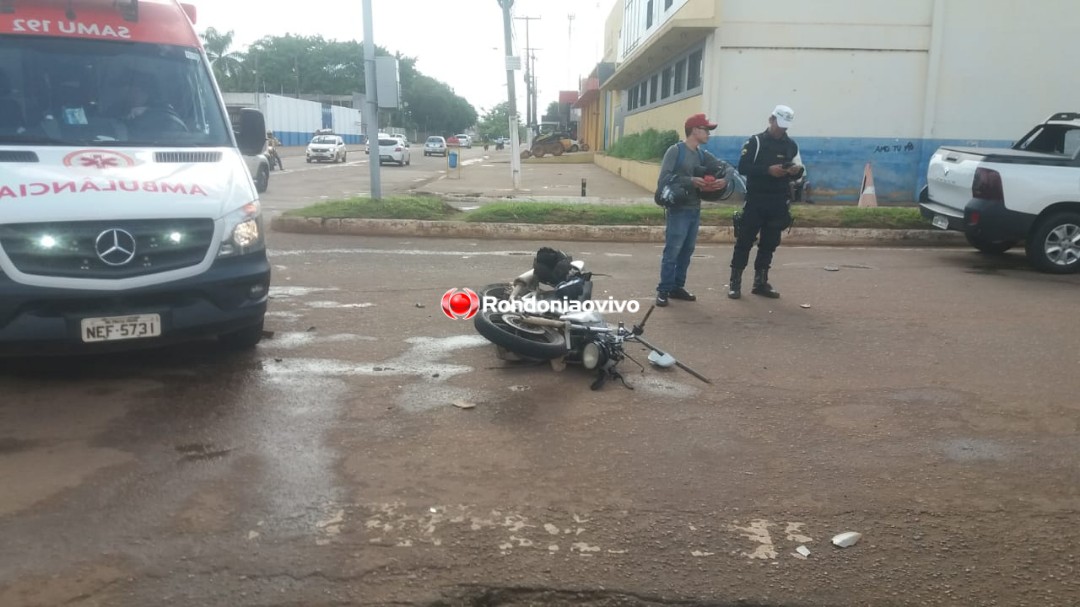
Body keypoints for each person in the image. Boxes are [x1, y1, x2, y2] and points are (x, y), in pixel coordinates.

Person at [727, 104, 804, 299]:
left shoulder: (791, 145)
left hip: (778, 200)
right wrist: (768, 170)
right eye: (779, 124)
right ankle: (735, 283)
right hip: (756, 199)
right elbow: (743, 167)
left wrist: (795, 171)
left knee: (769, 243)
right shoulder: (755, 142)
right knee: (744, 241)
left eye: (786, 126)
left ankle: (760, 282)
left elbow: (800, 170)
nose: (782, 129)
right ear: (771, 120)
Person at [654, 113, 729, 307]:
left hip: (695, 208)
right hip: (679, 209)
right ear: (695, 130)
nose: (708, 134)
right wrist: (691, 181)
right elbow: (664, 178)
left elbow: (726, 167)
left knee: (687, 251)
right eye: (706, 130)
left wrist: (724, 180)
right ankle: (664, 289)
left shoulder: (702, 155)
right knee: (673, 250)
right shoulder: (675, 151)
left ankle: (677, 287)